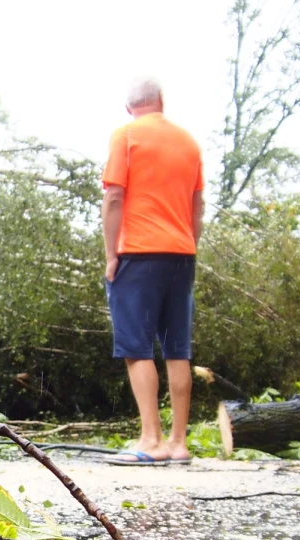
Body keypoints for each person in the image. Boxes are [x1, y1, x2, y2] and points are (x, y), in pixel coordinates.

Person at [100, 77, 204, 466]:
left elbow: (113, 198)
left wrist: (112, 255)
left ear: (130, 107)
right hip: (182, 253)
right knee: (177, 348)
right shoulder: (189, 142)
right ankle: (179, 443)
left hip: (139, 254)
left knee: (136, 346)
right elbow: (197, 207)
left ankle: (151, 440)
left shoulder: (125, 135)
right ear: (161, 102)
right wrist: (186, 244)